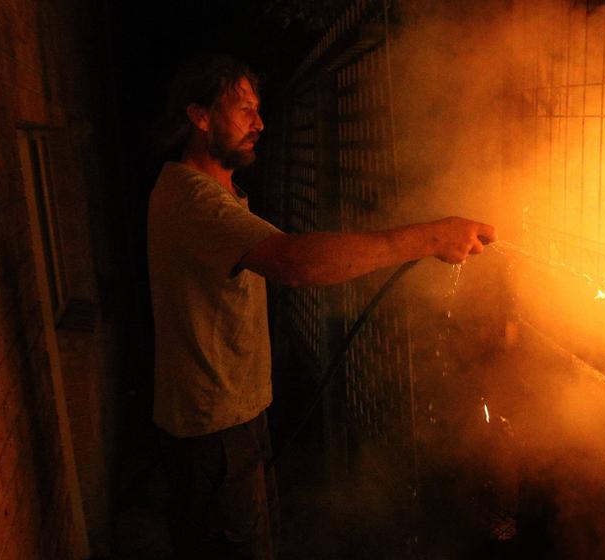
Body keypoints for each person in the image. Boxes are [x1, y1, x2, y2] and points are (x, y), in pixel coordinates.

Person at [147, 53, 495, 559]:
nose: (260, 123)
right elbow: (295, 262)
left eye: (258, 109)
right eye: (244, 110)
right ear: (199, 117)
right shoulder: (192, 201)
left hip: (230, 422)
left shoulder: (217, 194)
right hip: (213, 434)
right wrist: (430, 236)